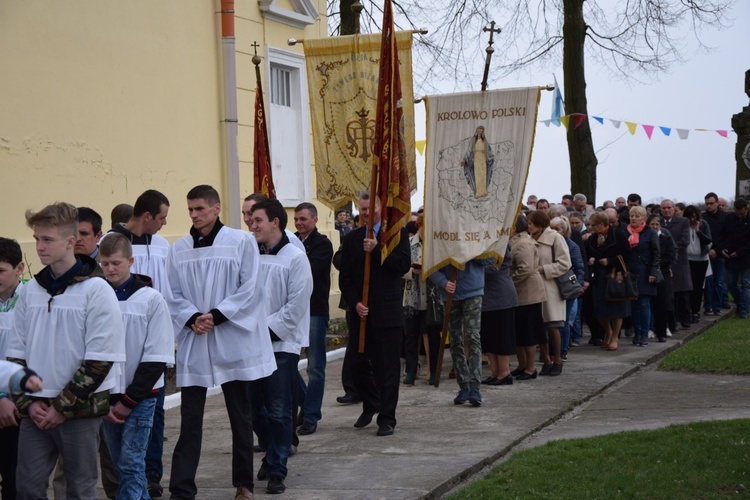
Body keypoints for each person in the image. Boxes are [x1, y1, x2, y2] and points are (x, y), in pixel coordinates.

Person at [7, 202, 126, 499]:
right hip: (35, 411)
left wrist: (61, 407)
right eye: (36, 239)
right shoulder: (30, 290)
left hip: (79, 413)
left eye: (47, 239)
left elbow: (100, 360)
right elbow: (14, 354)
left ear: (70, 242)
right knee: (27, 487)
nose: (39, 247)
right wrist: (27, 403)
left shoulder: (97, 291)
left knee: (79, 490)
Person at [166, 185, 276, 500]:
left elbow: (251, 288)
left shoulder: (240, 242)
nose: (194, 215)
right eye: (190, 209)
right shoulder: (179, 248)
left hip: (229, 336)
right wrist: (191, 318)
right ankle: (181, 488)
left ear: (216, 209)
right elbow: (171, 293)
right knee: (190, 419)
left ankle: (244, 484)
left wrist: (216, 315)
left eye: (200, 208)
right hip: (196, 338)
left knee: (240, 415)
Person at [105, 189, 170, 496]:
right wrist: (108, 398)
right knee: (123, 464)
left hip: (141, 392)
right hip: (109, 393)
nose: (109, 269)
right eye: (104, 264)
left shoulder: (151, 298)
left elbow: (155, 355)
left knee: (132, 462)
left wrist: (129, 400)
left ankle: (153, 474)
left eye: (116, 263)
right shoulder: (98, 298)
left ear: (130, 261)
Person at [248, 199, 313, 495]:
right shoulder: (249, 254)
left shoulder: (295, 257)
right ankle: (272, 448)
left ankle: (277, 468)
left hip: (280, 345)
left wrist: (264, 329)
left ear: (275, 221)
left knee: (278, 408)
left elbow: (296, 305)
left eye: (257, 220)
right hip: (248, 342)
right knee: (251, 409)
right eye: (251, 220)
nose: (252, 224)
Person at [339, 192, 410, 434]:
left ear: (381, 207)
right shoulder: (353, 239)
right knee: (357, 365)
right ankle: (371, 403)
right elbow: (345, 277)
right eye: (363, 209)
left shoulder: (395, 235)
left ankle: (387, 418)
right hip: (362, 314)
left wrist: (378, 249)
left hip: (387, 313)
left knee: (387, 368)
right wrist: (355, 302)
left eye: (370, 208)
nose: (367, 213)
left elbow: (403, 265)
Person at [293, 202, 333, 436]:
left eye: (303, 219)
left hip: (314, 310)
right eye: (296, 219)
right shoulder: (290, 241)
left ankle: (310, 416)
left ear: (315, 220)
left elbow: (306, 271)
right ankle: (308, 403)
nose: (299, 223)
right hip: (292, 310)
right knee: (287, 364)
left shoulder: (323, 244)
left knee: (315, 366)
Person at [527, 210, 570, 376]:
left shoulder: (555, 238)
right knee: (539, 326)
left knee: (553, 325)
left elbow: (565, 263)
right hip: (534, 287)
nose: (529, 226)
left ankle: (557, 360)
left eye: (531, 223)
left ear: (539, 224)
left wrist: (544, 269)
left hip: (551, 287)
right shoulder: (530, 239)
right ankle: (546, 360)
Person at [0, 237, 26, 499]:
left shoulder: (33, 299)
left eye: (0, 270)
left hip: (19, 407)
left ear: (19, 268)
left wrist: (13, 401)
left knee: (15, 479)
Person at [584, 211, 632, 351]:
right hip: (599, 277)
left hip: (615, 276)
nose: (590, 227)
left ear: (601, 224)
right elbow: (587, 253)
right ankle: (608, 332)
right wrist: (591, 259)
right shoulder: (593, 238)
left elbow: (628, 255)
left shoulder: (618, 235)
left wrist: (610, 261)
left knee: (617, 308)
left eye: (593, 225)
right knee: (600, 309)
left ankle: (615, 336)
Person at [509, 215, 546, 380]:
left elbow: (525, 269)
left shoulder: (522, 243)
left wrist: (509, 282)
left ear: (514, 228)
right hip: (521, 293)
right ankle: (522, 365)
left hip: (528, 293)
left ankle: (530, 368)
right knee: (520, 332)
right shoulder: (519, 241)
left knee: (528, 333)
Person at [479, 246, 518, 385]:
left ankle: (504, 372)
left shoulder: (499, 244)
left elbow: (492, 268)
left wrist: (469, 267)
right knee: (489, 337)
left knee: (501, 336)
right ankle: (495, 372)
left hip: (501, 296)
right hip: (487, 298)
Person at [624, 206, 660, 347]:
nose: (633, 218)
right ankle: (637, 332)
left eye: (637, 216)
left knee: (644, 304)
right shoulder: (625, 232)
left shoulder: (650, 233)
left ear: (644, 219)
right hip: (631, 273)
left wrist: (653, 272)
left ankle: (645, 333)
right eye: (632, 215)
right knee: (633, 305)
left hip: (646, 272)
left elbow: (656, 254)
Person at [550, 217, 584, 360]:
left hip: (566, 287)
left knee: (564, 321)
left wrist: (578, 286)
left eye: (557, 229)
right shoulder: (547, 244)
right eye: (551, 228)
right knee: (552, 320)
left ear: (564, 230)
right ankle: (552, 351)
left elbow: (579, 267)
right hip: (552, 287)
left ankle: (562, 350)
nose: (553, 232)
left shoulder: (571, 246)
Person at [661, 199, 693, 329]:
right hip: (664, 263)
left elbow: (685, 241)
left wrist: (669, 248)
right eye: (664, 208)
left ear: (674, 209)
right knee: (669, 296)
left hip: (679, 262)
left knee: (683, 294)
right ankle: (671, 322)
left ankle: (686, 320)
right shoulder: (658, 223)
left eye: (669, 207)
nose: (666, 210)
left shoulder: (683, 222)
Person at [647, 215, 677, 342]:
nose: (654, 227)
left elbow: (670, 255)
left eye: (657, 224)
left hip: (662, 274)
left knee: (662, 303)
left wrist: (658, 264)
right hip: (648, 273)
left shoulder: (665, 238)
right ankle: (649, 328)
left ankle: (662, 330)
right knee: (649, 303)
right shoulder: (646, 238)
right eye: (652, 224)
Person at [721, 198, 750, 319]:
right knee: (730, 283)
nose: (739, 215)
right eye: (737, 213)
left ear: (747, 209)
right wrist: (722, 248)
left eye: (742, 213)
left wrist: (739, 252)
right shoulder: (729, 219)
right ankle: (740, 302)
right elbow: (724, 235)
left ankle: (743, 309)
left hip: (746, 256)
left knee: (746, 283)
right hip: (730, 256)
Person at [683, 205, 712, 323]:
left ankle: (696, 311)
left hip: (701, 259)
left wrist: (698, 231)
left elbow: (708, 240)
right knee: (690, 286)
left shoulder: (703, 224)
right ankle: (690, 310)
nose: (691, 220)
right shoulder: (684, 225)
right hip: (688, 259)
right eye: (689, 217)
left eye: (693, 217)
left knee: (698, 286)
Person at [702, 192, 726, 315]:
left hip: (719, 253)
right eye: (707, 204)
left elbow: (726, 236)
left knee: (719, 281)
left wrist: (716, 250)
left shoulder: (725, 217)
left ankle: (717, 306)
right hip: (706, 253)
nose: (709, 206)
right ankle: (708, 306)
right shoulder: (702, 218)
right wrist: (708, 250)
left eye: (711, 203)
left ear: (717, 203)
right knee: (708, 282)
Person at [460, 126, 494, 198]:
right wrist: (464, 159)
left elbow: (489, 150)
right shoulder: (473, 140)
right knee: (477, 175)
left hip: (483, 159)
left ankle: (483, 192)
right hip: (476, 159)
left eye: (481, 131)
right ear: (476, 131)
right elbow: (469, 150)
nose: (479, 133)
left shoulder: (485, 141)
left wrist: (491, 157)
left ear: (482, 132)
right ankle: (478, 192)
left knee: (483, 175)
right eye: (478, 131)